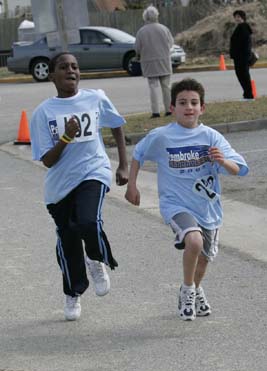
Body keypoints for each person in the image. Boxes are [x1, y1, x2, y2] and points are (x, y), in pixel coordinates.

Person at [125, 78, 249, 321]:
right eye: (182, 102)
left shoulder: (211, 137)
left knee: (203, 260)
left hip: (208, 207)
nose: (188, 107)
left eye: (194, 102)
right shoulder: (162, 136)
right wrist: (132, 185)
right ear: (172, 107)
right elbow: (138, 154)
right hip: (176, 204)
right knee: (193, 241)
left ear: (202, 108)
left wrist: (221, 161)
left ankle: (195, 286)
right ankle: (187, 291)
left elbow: (239, 169)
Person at [30, 52, 128, 321]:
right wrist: (65, 138)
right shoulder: (43, 113)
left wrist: (123, 164)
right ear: (52, 76)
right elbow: (48, 161)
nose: (71, 70)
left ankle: (96, 258)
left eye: (74, 66)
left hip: (93, 171)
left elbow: (116, 125)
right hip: (59, 186)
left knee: (88, 222)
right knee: (68, 240)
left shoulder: (95, 97)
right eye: (63, 67)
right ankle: (73, 292)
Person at [135, 5, 174, 118]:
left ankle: (155, 112)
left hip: (149, 62)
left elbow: (137, 48)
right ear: (156, 16)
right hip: (164, 61)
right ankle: (168, 110)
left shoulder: (141, 31)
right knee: (166, 86)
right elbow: (171, 43)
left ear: (145, 17)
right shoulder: (164, 28)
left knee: (153, 87)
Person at [230, 9, 254, 100]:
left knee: (244, 76)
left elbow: (246, 44)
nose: (237, 19)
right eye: (235, 17)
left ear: (243, 18)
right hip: (239, 57)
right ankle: (247, 94)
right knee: (241, 75)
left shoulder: (243, 27)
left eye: (238, 17)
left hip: (242, 57)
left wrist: (246, 56)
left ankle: (249, 96)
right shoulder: (240, 27)